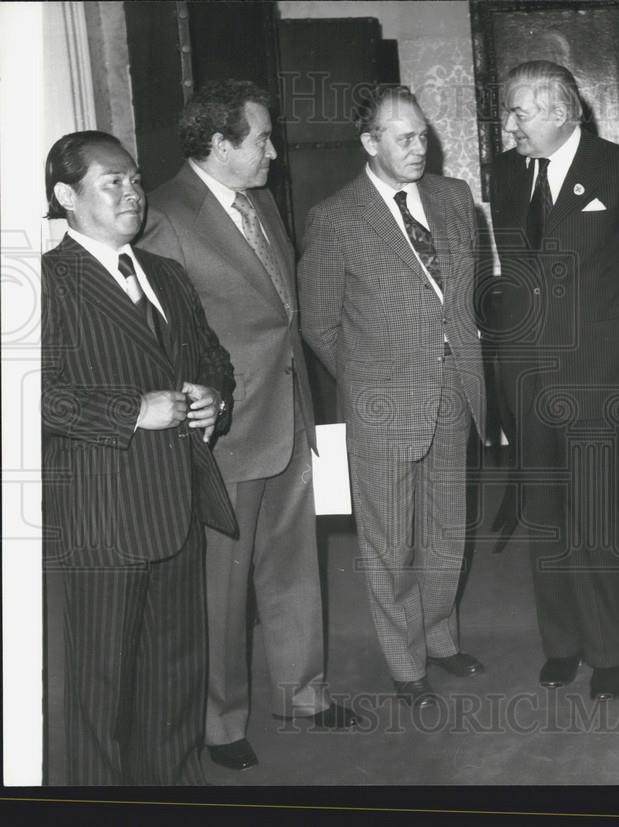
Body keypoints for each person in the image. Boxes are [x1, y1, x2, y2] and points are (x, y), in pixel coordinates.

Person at [140, 79, 357, 772]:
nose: (273, 150)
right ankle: (221, 720)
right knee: (221, 587)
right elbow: (156, 333)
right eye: (261, 138)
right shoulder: (166, 215)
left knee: (296, 567)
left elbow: (281, 312)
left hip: (292, 414)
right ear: (219, 144)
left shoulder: (260, 200)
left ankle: (304, 693)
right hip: (225, 432)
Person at [42, 131, 236, 784]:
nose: (131, 192)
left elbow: (211, 356)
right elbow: (26, 396)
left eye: (133, 178)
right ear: (66, 197)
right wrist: (130, 410)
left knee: (176, 690)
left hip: (177, 511)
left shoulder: (168, 275)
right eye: (111, 182)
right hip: (101, 527)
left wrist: (214, 395)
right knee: (97, 705)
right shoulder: (45, 285)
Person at [489, 60, 619, 701]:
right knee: (547, 518)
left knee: (599, 517)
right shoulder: (508, 174)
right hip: (527, 379)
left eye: (519, 111)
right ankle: (562, 644)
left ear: (563, 111)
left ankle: (610, 651)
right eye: (508, 110)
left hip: (598, 377)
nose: (508, 123)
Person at [298, 85, 487, 708]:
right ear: (369, 142)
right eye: (402, 137)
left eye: (422, 134)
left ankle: (440, 638)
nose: (418, 147)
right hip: (383, 405)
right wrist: (373, 380)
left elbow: (468, 296)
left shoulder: (454, 198)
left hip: (454, 392)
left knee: (446, 530)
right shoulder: (336, 216)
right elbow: (319, 323)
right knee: (390, 543)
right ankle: (406, 665)